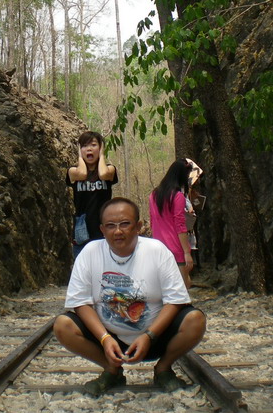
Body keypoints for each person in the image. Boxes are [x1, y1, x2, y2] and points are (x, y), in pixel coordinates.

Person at [54, 197, 206, 395]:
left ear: (139, 226)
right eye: (110, 226)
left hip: (155, 338)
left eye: (125, 224)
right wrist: (105, 338)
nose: (118, 231)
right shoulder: (90, 253)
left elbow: (176, 301)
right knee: (62, 325)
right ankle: (112, 370)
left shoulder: (157, 251)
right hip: (110, 340)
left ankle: (163, 368)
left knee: (195, 320)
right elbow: (80, 303)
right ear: (102, 229)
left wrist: (149, 335)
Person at [149, 158, 202, 289]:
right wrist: (186, 252)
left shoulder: (154, 195)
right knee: (182, 287)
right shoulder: (177, 196)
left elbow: (152, 221)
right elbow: (180, 225)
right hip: (175, 247)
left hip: (158, 246)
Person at [66, 131, 118, 258]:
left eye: (94, 145)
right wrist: (79, 157)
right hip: (82, 231)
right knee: (83, 272)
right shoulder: (73, 171)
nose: (89, 148)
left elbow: (104, 175)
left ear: (100, 148)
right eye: (84, 146)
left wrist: (102, 156)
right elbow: (82, 174)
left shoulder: (109, 169)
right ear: (80, 149)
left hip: (104, 229)